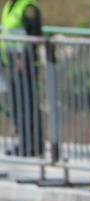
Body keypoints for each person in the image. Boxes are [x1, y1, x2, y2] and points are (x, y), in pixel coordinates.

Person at [1, 0, 44, 158]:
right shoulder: (9, 6)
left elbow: (35, 37)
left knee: (28, 105)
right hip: (10, 62)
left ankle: (32, 145)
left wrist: (23, 59)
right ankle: (23, 142)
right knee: (17, 106)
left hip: (24, 65)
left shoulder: (28, 7)